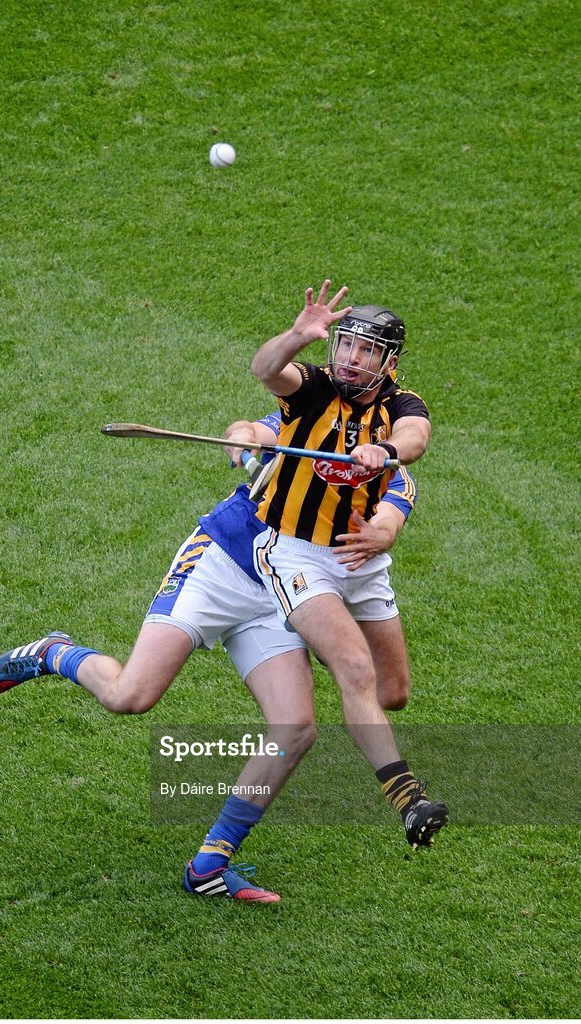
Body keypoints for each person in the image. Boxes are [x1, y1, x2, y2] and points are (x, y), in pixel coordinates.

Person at [0, 412, 418, 902]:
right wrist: (242, 447)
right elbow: (247, 429)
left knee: (294, 728)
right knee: (132, 696)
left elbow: (389, 515)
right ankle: (54, 653)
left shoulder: (393, 475)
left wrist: (380, 534)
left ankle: (209, 864)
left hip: (281, 589)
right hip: (222, 563)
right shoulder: (312, 418)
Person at [251, 278, 449, 849]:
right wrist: (294, 336)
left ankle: (308, 642)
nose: (350, 358)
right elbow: (266, 370)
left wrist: (382, 452)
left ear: (388, 362)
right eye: (344, 345)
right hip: (295, 552)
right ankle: (409, 800)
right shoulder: (311, 388)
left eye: (365, 350)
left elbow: (416, 437)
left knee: (391, 692)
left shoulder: (399, 405)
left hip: (359, 560)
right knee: (355, 672)